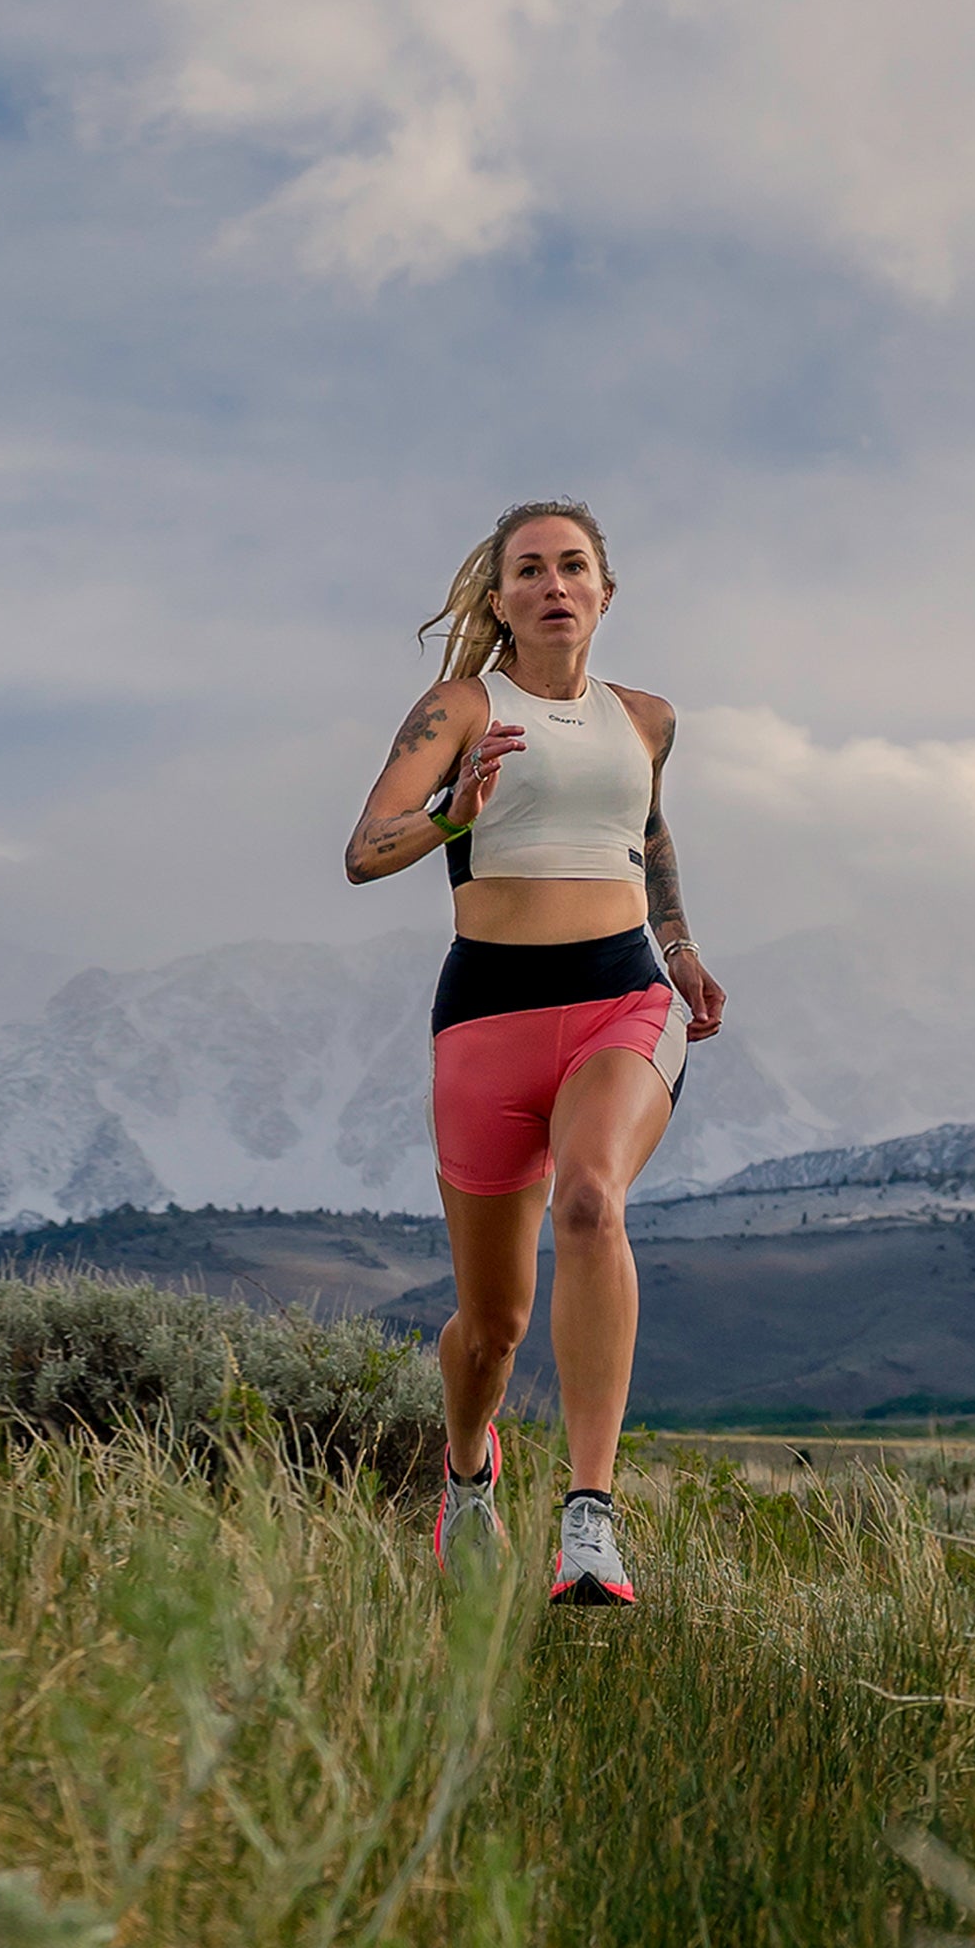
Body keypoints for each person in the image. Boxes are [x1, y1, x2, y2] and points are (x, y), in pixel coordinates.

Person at [344, 499, 725, 1604]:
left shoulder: (645, 718)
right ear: (498, 597)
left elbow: (645, 830)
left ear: (604, 590)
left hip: (620, 996)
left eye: (572, 567)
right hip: (486, 1016)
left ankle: (589, 1521)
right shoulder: (458, 708)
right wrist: (454, 816)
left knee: (591, 1203)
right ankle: (467, 1478)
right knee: (493, 1324)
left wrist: (680, 946)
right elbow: (365, 851)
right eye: (527, 570)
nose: (552, 585)